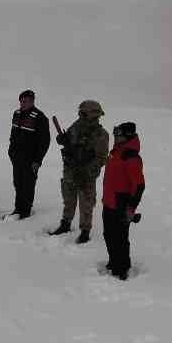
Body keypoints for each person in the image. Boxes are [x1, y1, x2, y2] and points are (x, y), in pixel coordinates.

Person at [51, 99, 110, 242]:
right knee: (68, 199)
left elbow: (102, 158)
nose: (80, 115)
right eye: (80, 112)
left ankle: (85, 231)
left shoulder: (101, 134)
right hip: (70, 169)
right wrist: (63, 139)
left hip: (86, 174)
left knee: (86, 203)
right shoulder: (77, 126)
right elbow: (69, 139)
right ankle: (65, 224)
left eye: (83, 113)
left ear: (93, 115)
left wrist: (88, 170)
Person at [101, 122, 145, 279]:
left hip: (121, 203)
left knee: (120, 238)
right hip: (109, 201)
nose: (115, 137)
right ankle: (114, 261)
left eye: (118, 134)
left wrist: (131, 208)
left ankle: (122, 268)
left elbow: (139, 185)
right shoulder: (115, 152)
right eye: (115, 134)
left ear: (127, 136)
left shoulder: (131, 157)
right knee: (108, 235)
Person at [6, 90, 52, 219]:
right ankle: (18, 208)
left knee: (28, 184)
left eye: (25, 101)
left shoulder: (40, 117)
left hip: (31, 159)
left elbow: (44, 142)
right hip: (16, 157)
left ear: (32, 101)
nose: (22, 103)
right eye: (21, 100)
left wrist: (38, 160)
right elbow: (13, 135)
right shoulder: (17, 114)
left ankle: (25, 211)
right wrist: (11, 151)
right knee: (17, 183)